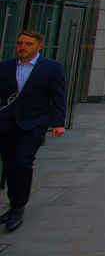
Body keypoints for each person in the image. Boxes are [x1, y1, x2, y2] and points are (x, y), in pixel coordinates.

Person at [0, 30, 66, 232]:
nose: (22, 47)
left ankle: (19, 207)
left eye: (28, 44)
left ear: (39, 46)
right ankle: (14, 204)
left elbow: (58, 96)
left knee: (22, 164)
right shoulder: (4, 67)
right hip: (7, 124)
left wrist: (58, 123)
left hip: (34, 124)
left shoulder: (52, 68)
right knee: (10, 165)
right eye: (20, 43)